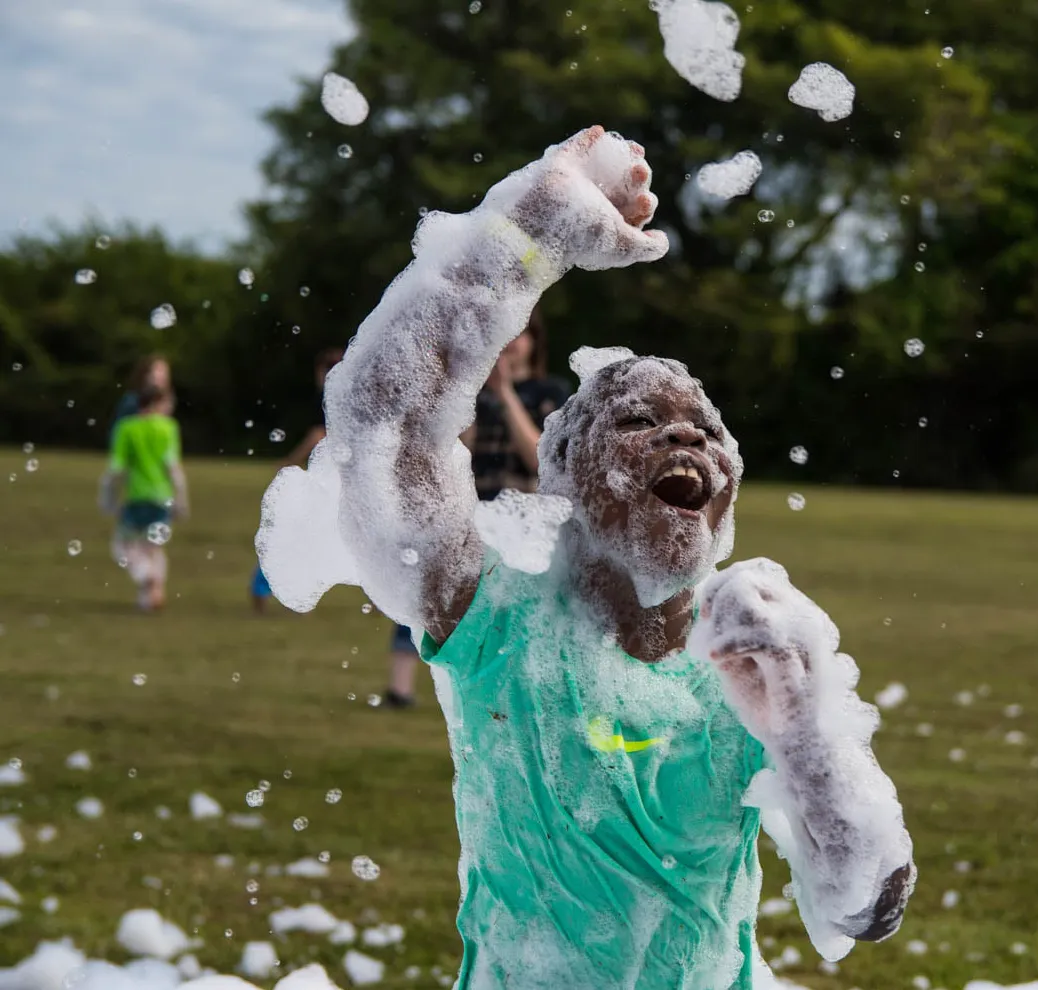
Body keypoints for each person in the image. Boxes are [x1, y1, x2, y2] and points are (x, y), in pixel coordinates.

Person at [257, 126, 914, 988]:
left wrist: (803, 732)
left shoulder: (743, 672)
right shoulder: (494, 624)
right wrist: (523, 236)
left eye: (707, 430)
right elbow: (384, 425)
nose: (685, 433)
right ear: (562, 471)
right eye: (638, 422)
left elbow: (866, 908)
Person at [383, 310, 569, 707]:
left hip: (523, 521)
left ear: (534, 343)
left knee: (516, 611)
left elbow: (540, 459)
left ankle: (506, 692)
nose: (512, 343)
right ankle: (400, 689)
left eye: (521, 334)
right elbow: (455, 454)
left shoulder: (551, 391)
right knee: (427, 593)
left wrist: (505, 395)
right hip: (469, 513)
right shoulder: (469, 394)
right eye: (505, 335)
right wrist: (469, 393)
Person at [251, 348, 344, 612]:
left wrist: (291, 460)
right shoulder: (347, 397)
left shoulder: (328, 396)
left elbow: (318, 435)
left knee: (297, 532)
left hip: (325, 477)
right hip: (338, 478)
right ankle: (266, 585)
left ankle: (263, 586)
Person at [100, 382, 189, 611]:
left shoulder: (127, 427)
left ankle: (145, 576)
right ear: (157, 403)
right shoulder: (168, 427)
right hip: (162, 498)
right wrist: (181, 500)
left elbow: (116, 470)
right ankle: (151, 595)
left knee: (124, 546)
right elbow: (173, 468)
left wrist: (108, 499)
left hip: (136, 497)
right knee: (153, 547)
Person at [109, 354, 171, 442]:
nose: (161, 376)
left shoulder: (167, 399)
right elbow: (117, 433)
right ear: (146, 374)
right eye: (157, 370)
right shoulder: (131, 401)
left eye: (164, 371)